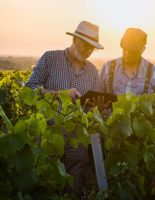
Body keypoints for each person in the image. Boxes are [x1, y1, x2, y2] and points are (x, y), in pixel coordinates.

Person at [25, 20, 104, 196]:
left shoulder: (92, 71)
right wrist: (59, 93)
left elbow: (94, 106)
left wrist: (95, 108)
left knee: (74, 182)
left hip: (77, 136)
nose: (88, 51)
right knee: (45, 179)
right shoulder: (50, 58)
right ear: (75, 39)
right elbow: (29, 89)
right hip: (48, 131)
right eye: (85, 45)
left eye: (92, 48)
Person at [99, 28, 155, 95]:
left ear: (143, 49)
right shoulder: (107, 67)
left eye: (132, 51)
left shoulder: (153, 72)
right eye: (125, 49)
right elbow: (97, 95)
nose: (127, 54)